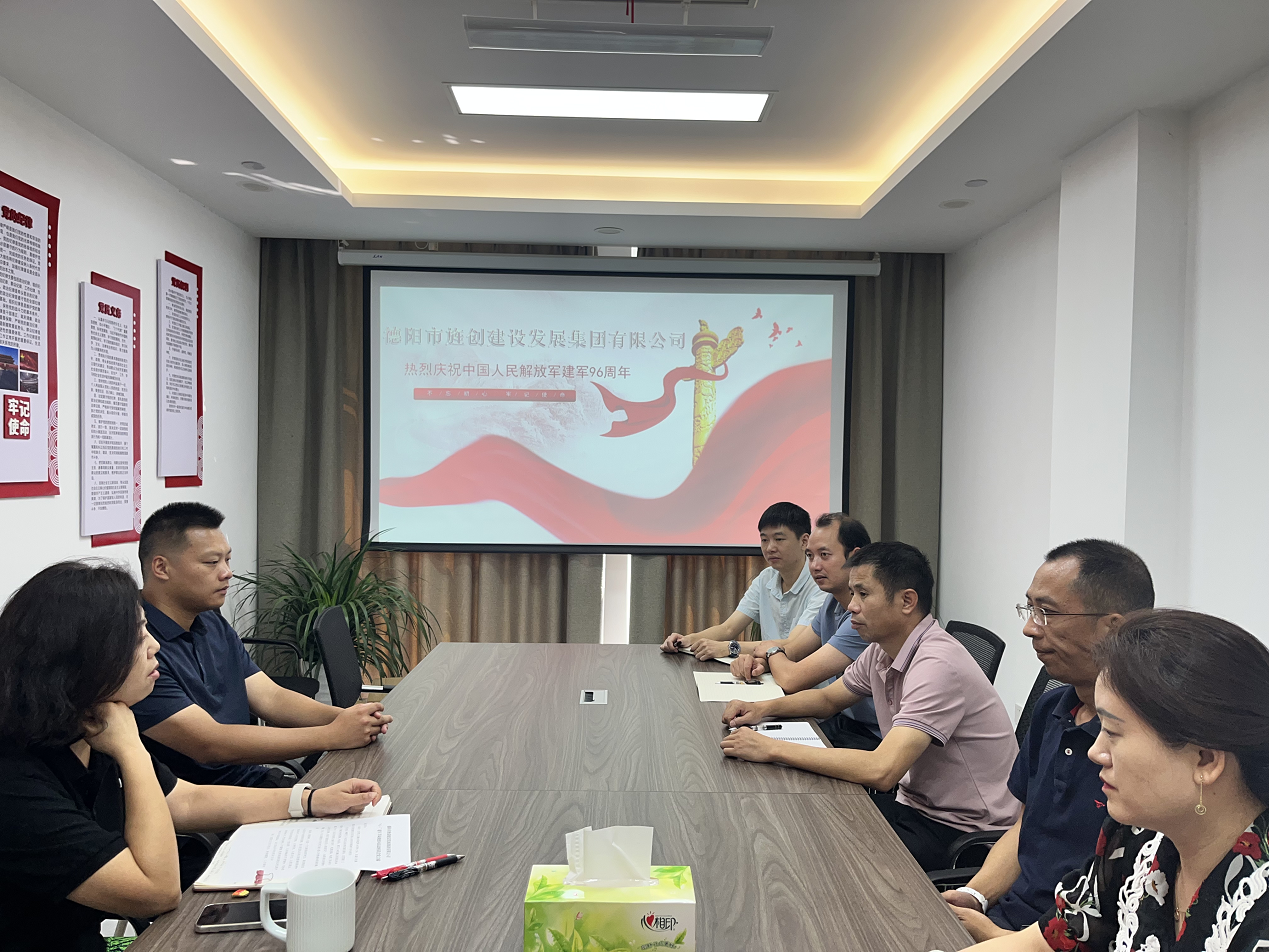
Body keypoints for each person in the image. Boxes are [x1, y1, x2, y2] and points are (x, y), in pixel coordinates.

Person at [0, 561, 383, 952]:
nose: (154, 646)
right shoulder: (18, 782)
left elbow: (185, 800)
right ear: (85, 659)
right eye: (137, 637)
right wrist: (131, 749)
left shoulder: (90, 725)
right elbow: (157, 891)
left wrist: (310, 800)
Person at [974, 609, 1269, 952]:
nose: (1095, 752)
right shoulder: (1136, 836)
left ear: (1205, 760)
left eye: (1113, 732)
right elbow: (1046, 941)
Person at [721, 541, 1020, 871]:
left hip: (965, 833)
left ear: (907, 601)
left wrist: (771, 748)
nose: (851, 606)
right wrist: (762, 708)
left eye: (863, 594)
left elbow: (882, 770)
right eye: (853, 594)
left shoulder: (938, 664)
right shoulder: (883, 648)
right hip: (916, 806)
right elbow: (827, 699)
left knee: (813, 851)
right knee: (806, 822)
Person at [943, 540, 1156, 941]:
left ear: (1112, 627)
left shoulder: (1147, 744)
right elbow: (1026, 827)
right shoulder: (1052, 708)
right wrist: (975, 896)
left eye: (1047, 613)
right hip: (1006, 922)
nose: (1029, 627)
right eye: (1030, 609)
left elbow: (1119, 910)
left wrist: (1000, 938)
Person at [132, 502, 391, 787]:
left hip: (252, 779)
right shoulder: (135, 647)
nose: (227, 573)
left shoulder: (209, 620)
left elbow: (270, 697)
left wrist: (349, 718)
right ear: (161, 567)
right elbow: (209, 744)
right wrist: (332, 735)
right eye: (211, 562)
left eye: (227, 560)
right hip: (206, 800)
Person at [731, 511, 882, 749]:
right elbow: (793, 651)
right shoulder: (831, 602)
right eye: (810, 556)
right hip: (844, 720)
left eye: (824, 555)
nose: (814, 565)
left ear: (855, 557)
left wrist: (770, 650)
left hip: (875, 735)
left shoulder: (864, 617)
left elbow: (792, 679)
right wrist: (759, 663)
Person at [659, 502, 826, 662]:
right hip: (769, 671)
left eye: (779, 539)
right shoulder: (765, 578)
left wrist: (730, 648)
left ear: (804, 541)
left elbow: (793, 644)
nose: (770, 548)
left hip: (808, 677)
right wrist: (686, 640)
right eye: (764, 540)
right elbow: (728, 628)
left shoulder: (821, 585)